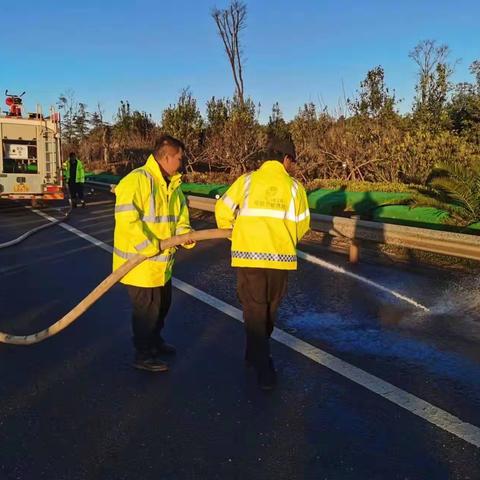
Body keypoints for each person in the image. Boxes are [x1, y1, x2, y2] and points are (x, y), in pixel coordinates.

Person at [215, 137, 310, 390]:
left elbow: (222, 211)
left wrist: (236, 232)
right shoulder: (295, 188)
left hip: (249, 257)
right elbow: (303, 224)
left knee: (255, 310)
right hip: (280, 260)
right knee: (268, 311)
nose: (293, 167)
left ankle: (254, 351)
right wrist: (285, 240)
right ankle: (262, 364)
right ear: (286, 159)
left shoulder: (246, 181)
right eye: (293, 161)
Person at [113, 135, 195, 372]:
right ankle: (143, 353)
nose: (182, 162)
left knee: (162, 307)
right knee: (145, 313)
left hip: (162, 265)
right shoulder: (136, 181)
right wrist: (152, 247)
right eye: (180, 158)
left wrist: (185, 234)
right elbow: (128, 222)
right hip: (139, 265)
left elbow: (180, 218)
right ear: (167, 157)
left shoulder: (173, 186)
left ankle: (155, 341)